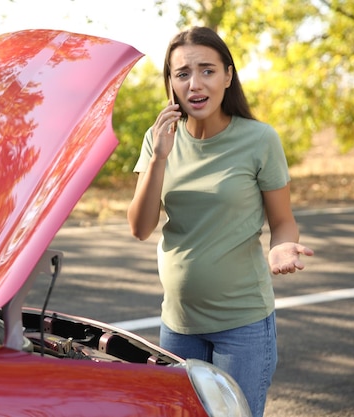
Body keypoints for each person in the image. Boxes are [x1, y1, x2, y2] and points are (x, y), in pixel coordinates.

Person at [127, 26, 314, 417]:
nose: (195, 83)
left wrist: (280, 246)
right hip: (177, 324)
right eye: (182, 73)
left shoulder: (260, 140)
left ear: (228, 76)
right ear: (171, 83)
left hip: (242, 325)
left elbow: (282, 221)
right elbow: (140, 227)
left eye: (207, 70)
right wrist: (159, 156)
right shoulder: (158, 138)